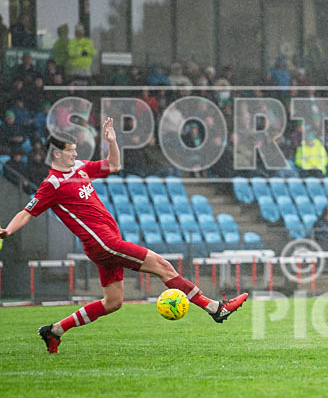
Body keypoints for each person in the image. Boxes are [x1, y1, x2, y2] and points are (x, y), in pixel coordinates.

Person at [0, 118, 248, 354]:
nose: (75, 154)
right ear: (56, 154)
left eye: (75, 149)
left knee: (113, 302)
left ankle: (54, 331)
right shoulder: (52, 184)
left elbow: (113, 165)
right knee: (163, 267)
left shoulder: (79, 168)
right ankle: (215, 308)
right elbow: (27, 212)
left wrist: (111, 141)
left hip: (104, 243)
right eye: (70, 150)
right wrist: (8, 230)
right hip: (103, 243)